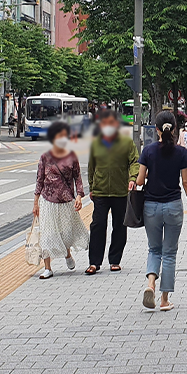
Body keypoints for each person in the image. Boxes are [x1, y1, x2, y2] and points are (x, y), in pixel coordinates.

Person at [136, 112, 187, 311]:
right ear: (174, 130)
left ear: (156, 129)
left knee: (154, 249)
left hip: (151, 207)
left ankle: (150, 284)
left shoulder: (148, 151)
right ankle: (164, 300)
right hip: (173, 206)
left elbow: (139, 181)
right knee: (170, 253)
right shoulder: (181, 153)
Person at [86, 108, 140, 274]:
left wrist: (132, 179)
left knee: (119, 226)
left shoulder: (126, 143)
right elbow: (91, 166)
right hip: (100, 191)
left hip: (120, 191)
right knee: (98, 225)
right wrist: (91, 186)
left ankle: (115, 260)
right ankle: (94, 262)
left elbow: (134, 161)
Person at [33, 121, 87, 279]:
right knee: (47, 235)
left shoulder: (72, 156)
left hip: (66, 201)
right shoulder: (45, 157)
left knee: (66, 234)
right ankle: (48, 268)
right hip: (47, 201)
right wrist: (35, 203)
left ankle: (67, 253)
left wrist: (79, 195)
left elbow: (78, 177)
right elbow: (39, 180)